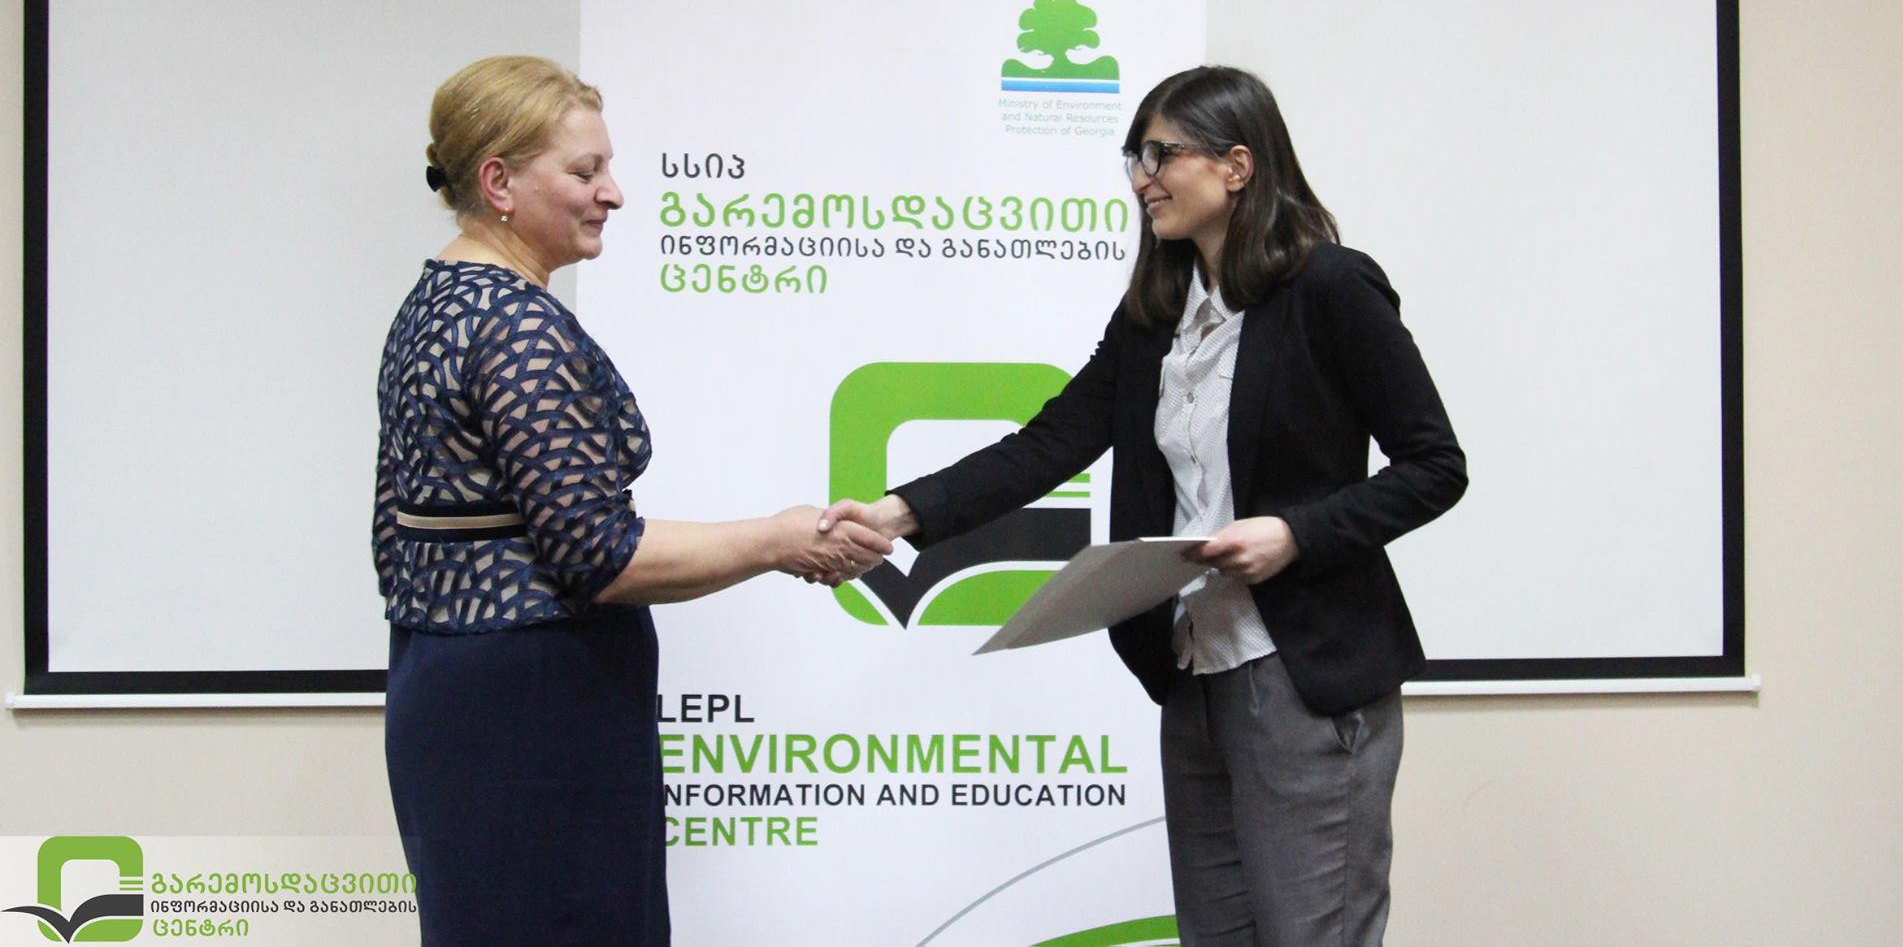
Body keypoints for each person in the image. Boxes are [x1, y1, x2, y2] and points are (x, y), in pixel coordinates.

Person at [822, 65, 1466, 945]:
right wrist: (900, 513)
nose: (1141, 179)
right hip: (1193, 669)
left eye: (1162, 154)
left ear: (1237, 165)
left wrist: (1295, 533)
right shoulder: (1154, 315)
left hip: (1304, 673)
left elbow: (1434, 465)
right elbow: (1049, 443)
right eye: (1134, 156)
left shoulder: (1331, 287)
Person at [375, 55, 891, 947]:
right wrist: (780, 538)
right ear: (498, 182)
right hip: (536, 708)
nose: (613, 193)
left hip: (449, 689)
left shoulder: (432, 302)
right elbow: (600, 556)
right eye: (585, 171)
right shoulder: (516, 326)